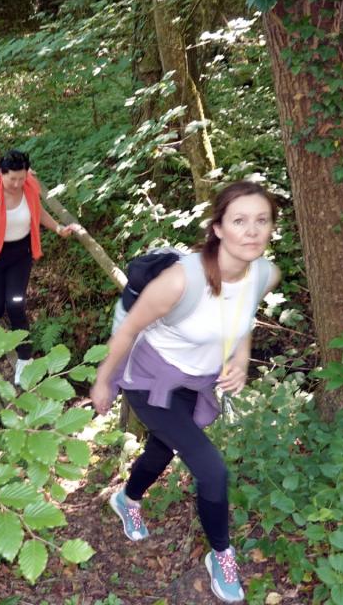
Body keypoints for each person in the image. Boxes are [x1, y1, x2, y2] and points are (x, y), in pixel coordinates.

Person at [89, 181, 282, 604]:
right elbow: (129, 329)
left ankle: (127, 499)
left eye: (262, 220)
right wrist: (104, 380)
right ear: (218, 228)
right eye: (239, 220)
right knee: (212, 470)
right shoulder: (181, 281)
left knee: (162, 449)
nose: (252, 230)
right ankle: (221, 555)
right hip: (148, 379)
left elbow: (244, 319)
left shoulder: (264, 274)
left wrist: (241, 359)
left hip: (194, 383)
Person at [0, 150, 77, 384]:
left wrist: (58, 228)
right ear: (1, 174)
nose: (17, 183)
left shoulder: (29, 187)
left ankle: (24, 361)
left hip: (20, 255)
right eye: (12, 178)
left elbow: (38, 211)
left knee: (16, 305)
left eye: (21, 178)